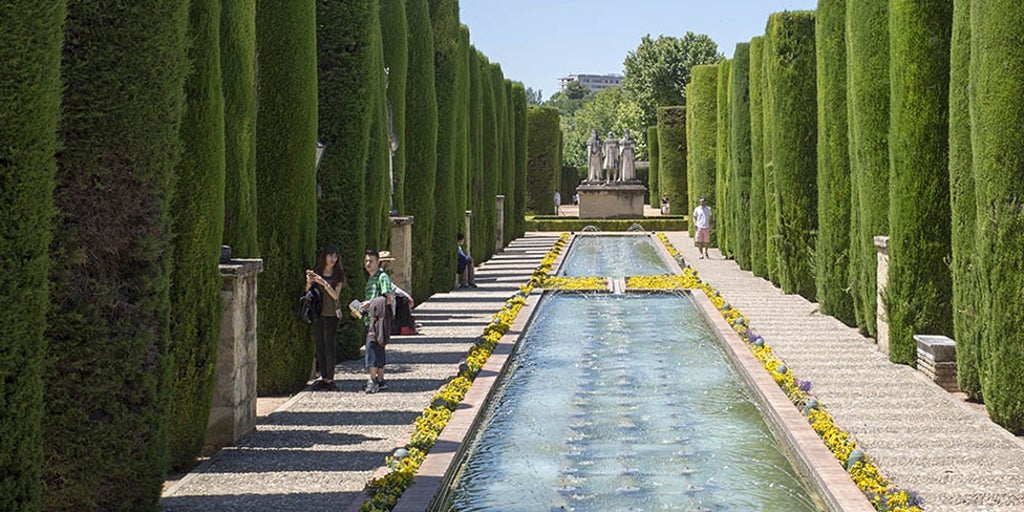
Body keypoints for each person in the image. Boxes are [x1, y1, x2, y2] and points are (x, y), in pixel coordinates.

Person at [305, 245, 346, 390]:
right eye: (330, 256)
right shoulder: (317, 272)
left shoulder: (338, 274)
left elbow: (336, 295)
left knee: (330, 346)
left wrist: (323, 283)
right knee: (319, 345)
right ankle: (323, 377)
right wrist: (309, 282)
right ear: (325, 257)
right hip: (318, 312)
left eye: (335, 256)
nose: (333, 259)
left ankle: (330, 379)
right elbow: (307, 292)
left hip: (331, 313)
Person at [353, 249, 394, 393]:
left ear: (378, 262)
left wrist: (369, 304)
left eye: (371, 261)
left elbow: (388, 299)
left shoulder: (381, 277)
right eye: (366, 261)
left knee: (371, 348)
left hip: (377, 320)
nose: (368, 264)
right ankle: (381, 379)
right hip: (370, 318)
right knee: (378, 347)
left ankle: (372, 380)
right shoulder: (371, 278)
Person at [378, 251, 418, 335]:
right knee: (403, 300)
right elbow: (392, 289)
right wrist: (407, 296)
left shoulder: (381, 273)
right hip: (385, 302)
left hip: (386, 301)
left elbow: (393, 287)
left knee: (403, 299)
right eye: (387, 261)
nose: (388, 264)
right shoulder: (381, 274)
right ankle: (404, 326)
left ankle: (405, 325)